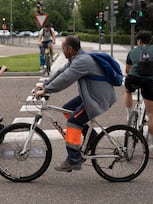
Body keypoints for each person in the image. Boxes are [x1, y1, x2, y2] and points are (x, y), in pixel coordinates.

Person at [35, 36, 116, 172]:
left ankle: (74, 160)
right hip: (91, 95)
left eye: (63, 49)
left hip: (98, 98)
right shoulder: (76, 58)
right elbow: (62, 72)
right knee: (67, 110)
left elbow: (67, 78)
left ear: (70, 49)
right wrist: (45, 84)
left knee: (74, 122)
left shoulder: (82, 61)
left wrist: (47, 90)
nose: (62, 51)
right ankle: (92, 139)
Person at [124, 30, 153, 159]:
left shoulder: (132, 52)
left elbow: (127, 70)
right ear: (150, 40)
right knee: (152, 115)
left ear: (139, 41)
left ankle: (128, 114)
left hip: (133, 79)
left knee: (127, 91)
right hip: (149, 82)